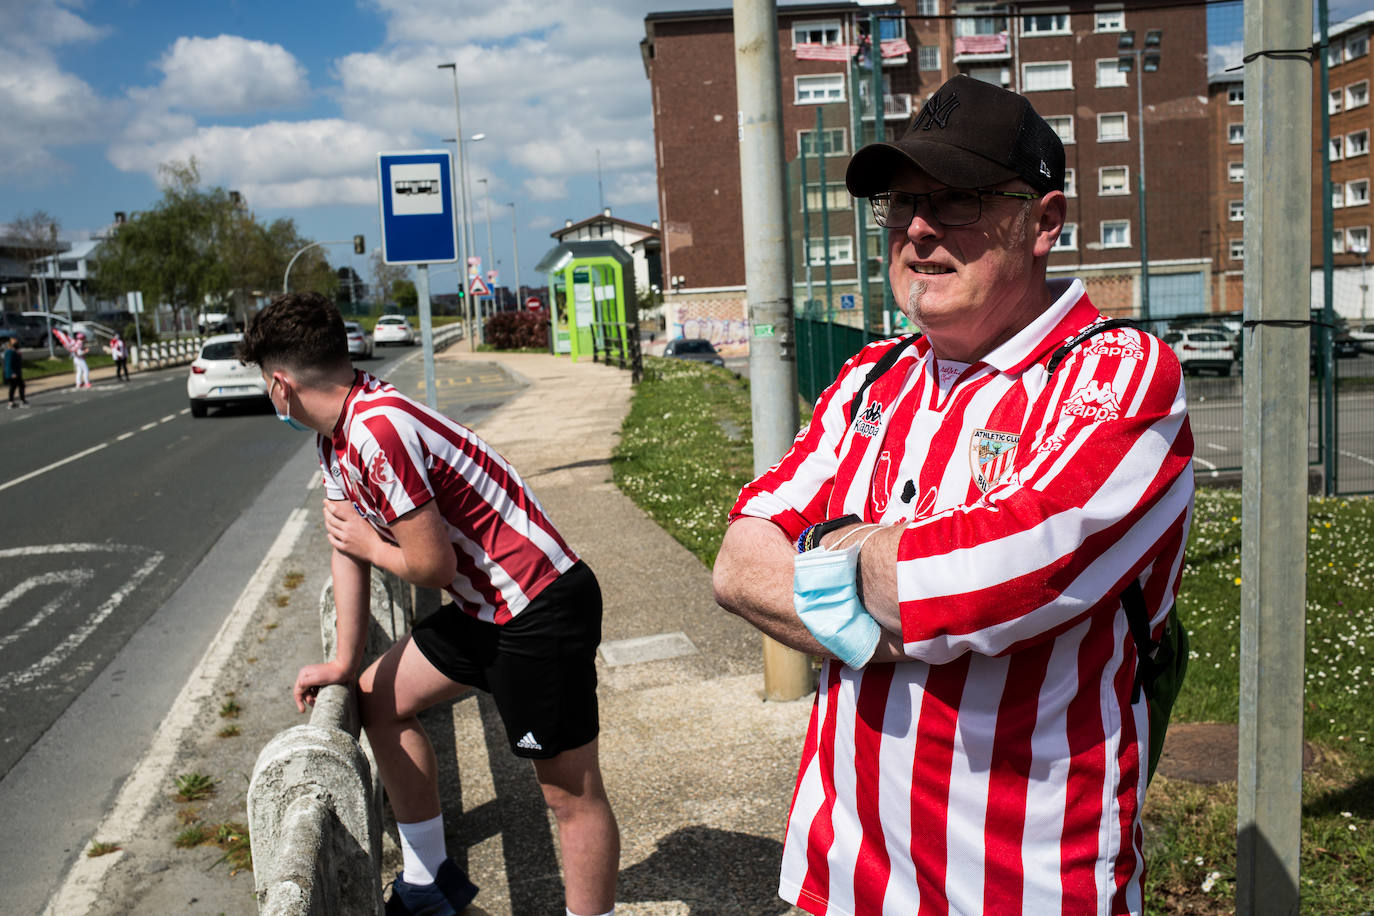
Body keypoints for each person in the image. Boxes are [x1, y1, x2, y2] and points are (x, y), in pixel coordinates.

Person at [712, 74, 1195, 915]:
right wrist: (894, 604)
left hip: (1023, 881)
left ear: (1045, 222)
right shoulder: (871, 377)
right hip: (843, 867)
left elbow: (993, 582)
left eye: (960, 201)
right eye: (902, 205)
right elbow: (738, 565)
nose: (921, 231)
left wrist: (833, 548)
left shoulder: (1119, 376)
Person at [240, 292, 619, 916]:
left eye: (264, 383)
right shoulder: (336, 434)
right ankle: (430, 886)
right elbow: (347, 546)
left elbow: (429, 565)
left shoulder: (376, 430)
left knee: (570, 797)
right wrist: (342, 661)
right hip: (485, 609)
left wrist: (367, 540)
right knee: (377, 699)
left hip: (538, 607)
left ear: (281, 385)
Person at [4, 336, 28, 408]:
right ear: (10, 343)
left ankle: (13, 402)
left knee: (16, 386)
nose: (16, 342)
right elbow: (8, 363)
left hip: (16, 372)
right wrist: (12, 373)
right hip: (13, 374)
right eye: (14, 341)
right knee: (17, 386)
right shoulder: (9, 352)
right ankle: (17, 402)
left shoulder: (15, 351)